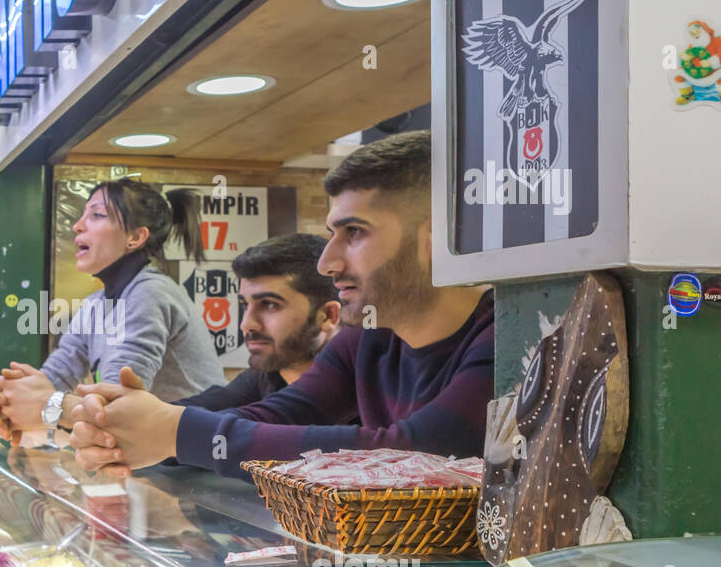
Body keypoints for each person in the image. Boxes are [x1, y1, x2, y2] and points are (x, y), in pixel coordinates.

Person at [68, 131, 496, 479]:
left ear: (435, 239)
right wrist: (123, 425)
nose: (328, 262)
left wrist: (172, 432)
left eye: (355, 232)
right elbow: (277, 414)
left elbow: (419, 454)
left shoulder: (503, 337)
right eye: (332, 233)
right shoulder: (367, 340)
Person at [0, 178, 225, 442]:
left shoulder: (150, 291)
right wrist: (9, 400)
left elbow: (114, 407)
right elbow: (56, 375)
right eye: (82, 215)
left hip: (194, 458)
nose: (78, 225)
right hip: (147, 457)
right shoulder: (94, 304)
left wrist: (43, 404)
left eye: (97, 214)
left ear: (135, 237)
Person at [177, 234, 341, 410]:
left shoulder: (367, 392)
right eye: (244, 305)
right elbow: (189, 413)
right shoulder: (268, 376)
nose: (247, 324)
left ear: (327, 315)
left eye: (269, 304)